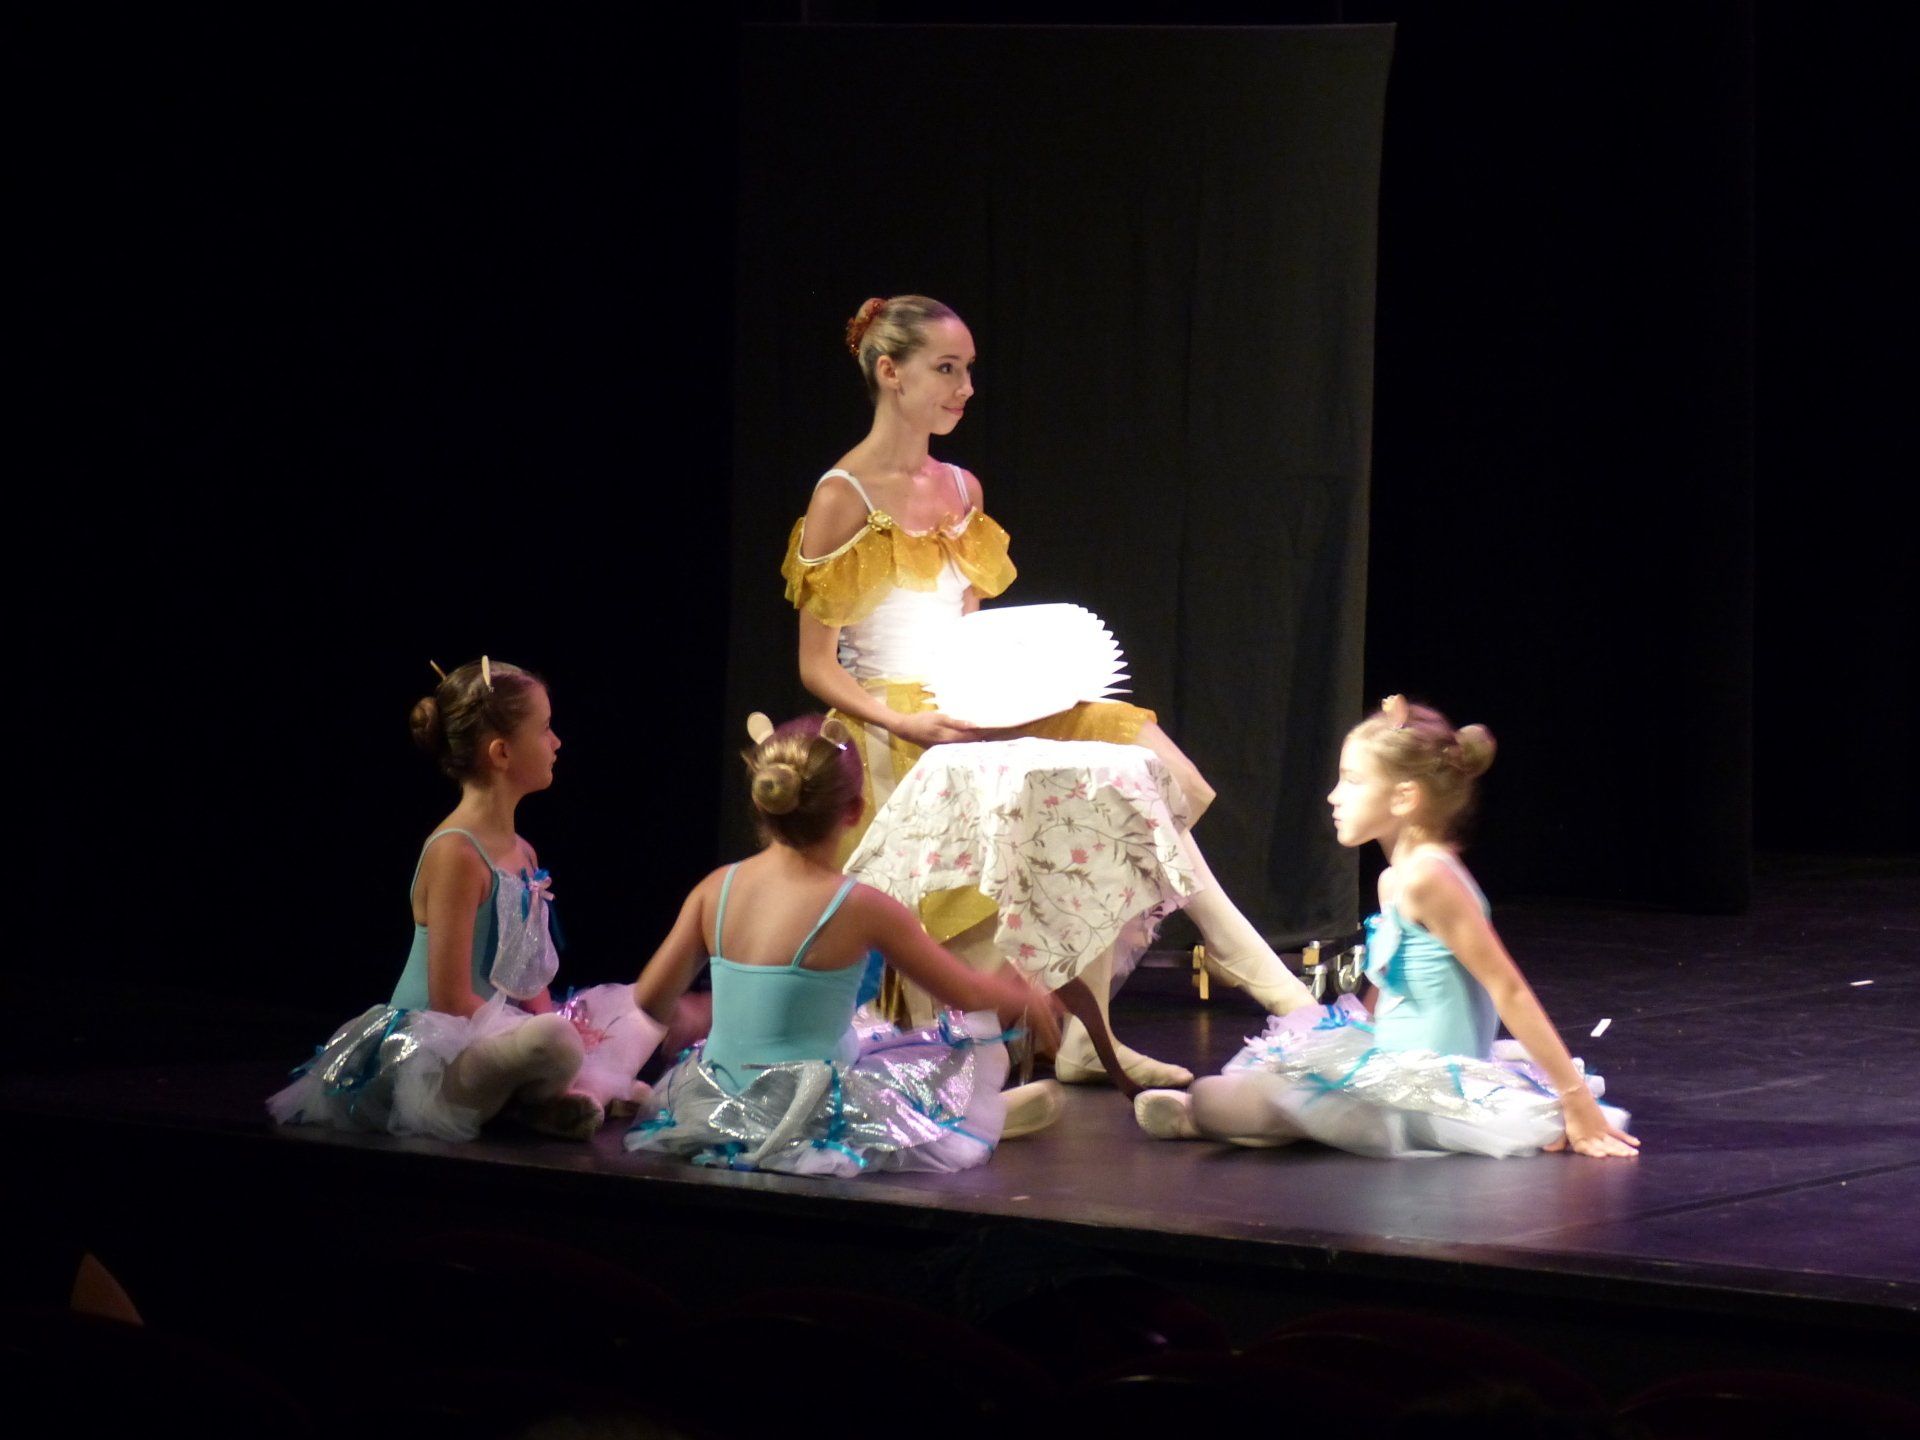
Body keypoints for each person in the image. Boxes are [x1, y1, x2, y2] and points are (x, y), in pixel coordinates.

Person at [782, 293, 1315, 1091]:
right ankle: (1270, 993)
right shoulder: (842, 497)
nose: (964, 388)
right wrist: (905, 718)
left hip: (973, 702)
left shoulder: (962, 488)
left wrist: (1019, 686)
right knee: (1105, 802)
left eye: (968, 371)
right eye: (946, 369)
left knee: (1141, 769)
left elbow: (971, 632)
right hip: (896, 727)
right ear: (890, 373)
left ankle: (1093, 1029)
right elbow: (817, 667)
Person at [1133, 696, 1640, 1158]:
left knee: (1217, 1097)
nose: (1334, 796)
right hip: (1390, 1061)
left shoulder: (1430, 878)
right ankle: (1246, 1119)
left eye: (1352, 782)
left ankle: (1235, 1121)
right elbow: (1390, 980)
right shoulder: (1397, 878)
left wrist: (1574, 1100)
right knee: (1249, 1081)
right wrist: (1354, 1043)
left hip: (1431, 1086)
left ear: (1402, 798)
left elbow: (1507, 989)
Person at [622, 713, 1065, 1176]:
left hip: (714, 1107)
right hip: (806, 1116)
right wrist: (1026, 996)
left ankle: (970, 1113)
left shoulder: (715, 888)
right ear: (855, 811)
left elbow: (650, 999)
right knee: (936, 1050)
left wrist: (711, 1011)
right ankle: (960, 1118)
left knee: (865, 1031)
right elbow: (967, 994)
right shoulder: (861, 906)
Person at [269, 658, 659, 1142]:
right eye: (544, 730)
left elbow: (525, 971)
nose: (556, 742)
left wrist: (554, 1019)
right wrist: (548, 1034)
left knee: (633, 1013)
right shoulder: (455, 852)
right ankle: (557, 1091)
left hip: (499, 1031)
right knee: (553, 1044)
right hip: (436, 1051)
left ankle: (551, 1096)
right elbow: (450, 998)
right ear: (501, 753)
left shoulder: (523, 852)